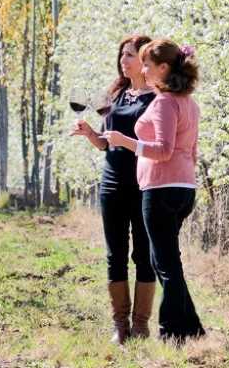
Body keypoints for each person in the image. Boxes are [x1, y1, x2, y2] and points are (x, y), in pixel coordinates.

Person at [105, 39, 206, 342]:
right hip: (183, 186)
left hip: (161, 188)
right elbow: (193, 151)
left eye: (148, 64)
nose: (143, 69)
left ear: (164, 68)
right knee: (169, 261)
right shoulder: (189, 102)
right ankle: (191, 329)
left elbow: (162, 150)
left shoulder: (163, 102)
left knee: (164, 264)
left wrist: (126, 142)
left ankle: (172, 331)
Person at [70, 35, 157, 343]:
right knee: (115, 254)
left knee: (144, 254)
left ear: (144, 60)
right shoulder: (115, 93)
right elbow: (106, 142)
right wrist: (90, 133)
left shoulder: (157, 98)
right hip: (112, 183)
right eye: (122, 54)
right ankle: (120, 326)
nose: (124, 60)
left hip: (144, 184)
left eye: (130, 55)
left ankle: (141, 325)